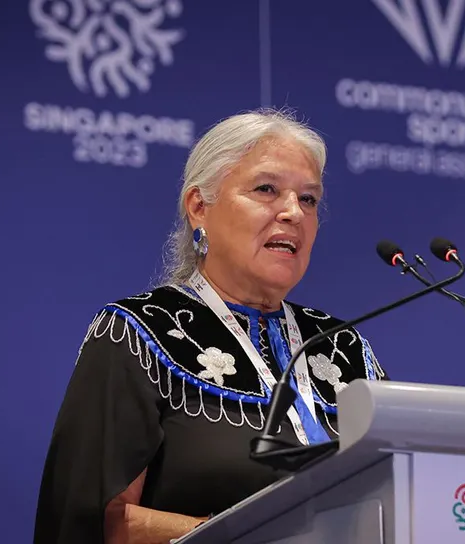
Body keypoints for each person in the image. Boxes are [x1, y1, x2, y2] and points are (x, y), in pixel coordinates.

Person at [33, 108, 389, 544]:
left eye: (309, 199)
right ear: (199, 207)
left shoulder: (344, 348)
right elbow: (95, 519)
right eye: (266, 189)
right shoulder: (138, 332)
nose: (293, 212)